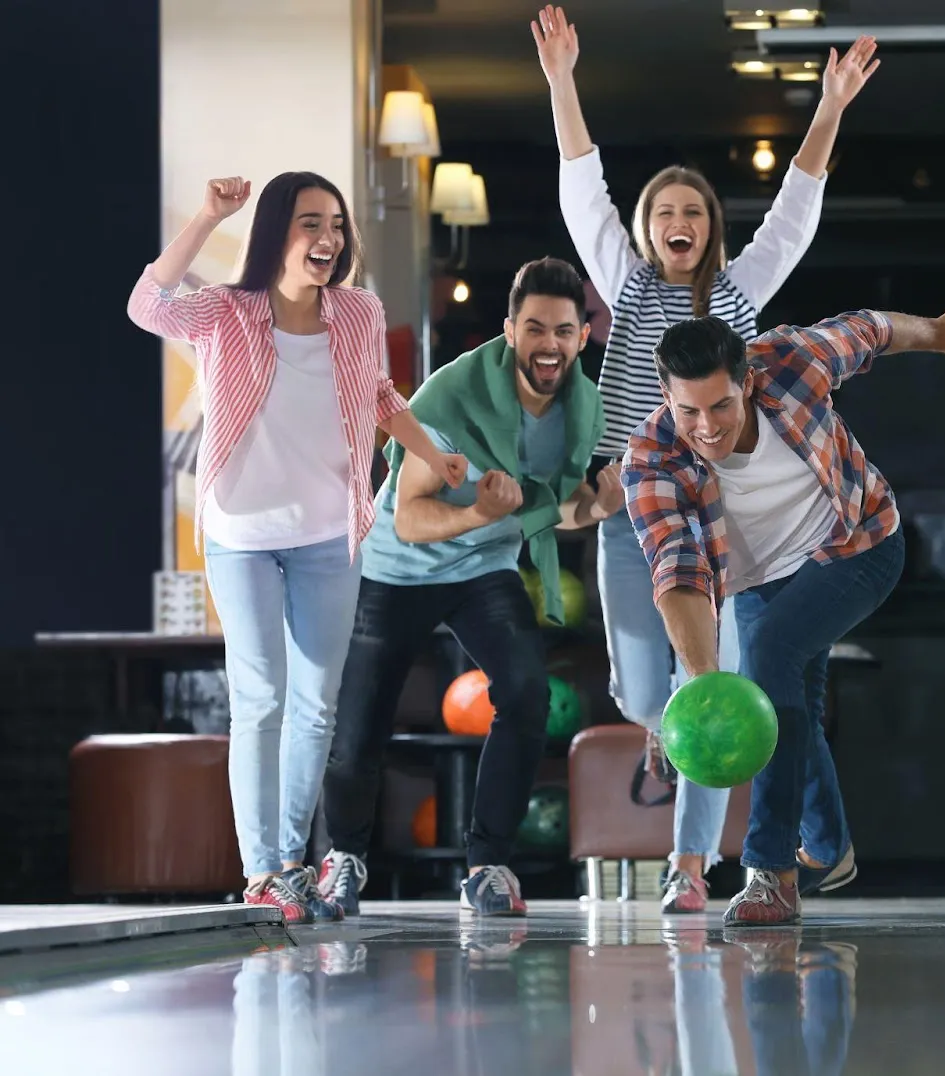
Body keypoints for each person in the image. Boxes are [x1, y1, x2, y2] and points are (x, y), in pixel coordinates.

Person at [531, 2, 880, 913]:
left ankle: (691, 869)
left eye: (693, 209)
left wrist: (830, 105)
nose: (679, 219)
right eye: (664, 211)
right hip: (629, 514)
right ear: (646, 230)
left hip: (727, 526)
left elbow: (796, 214)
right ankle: (679, 745)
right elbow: (581, 191)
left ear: (710, 227)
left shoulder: (739, 292)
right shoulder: (625, 282)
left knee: (714, 686)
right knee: (647, 692)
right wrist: (563, 80)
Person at [127, 173, 466, 922]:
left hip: (326, 533)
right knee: (261, 700)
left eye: (337, 225)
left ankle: (289, 861)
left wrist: (430, 452)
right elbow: (145, 305)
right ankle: (260, 872)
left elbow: (378, 393)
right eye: (311, 222)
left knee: (315, 706)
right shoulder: (226, 311)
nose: (329, 238)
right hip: (241, 532)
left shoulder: (357, 311)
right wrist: (211, 213)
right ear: (277, 231)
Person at [623, 293, 945, 925]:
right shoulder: (651, 458)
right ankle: (829, 848)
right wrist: (706, 688)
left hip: (859, 544)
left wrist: (939, 329)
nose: (708, 426)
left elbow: (872, 328)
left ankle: (771, 872)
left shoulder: (789, 361)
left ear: (746, 381)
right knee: (781, 703)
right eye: (688, 409)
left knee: (773, 658)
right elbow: (678, 571)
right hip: (756, 585)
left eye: (722, 404)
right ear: (667, 397)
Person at [317, 258, 615, 917]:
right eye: (534, 328)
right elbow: (409, 513)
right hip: (398, 569)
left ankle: (487, 865)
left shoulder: (580, 407)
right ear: (511, 331)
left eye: (563, 331)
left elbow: (554, 505)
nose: (548, 344)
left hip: (484, 567)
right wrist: (479, 513)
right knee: (362, 720)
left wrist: (597, 506)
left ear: (581, 337)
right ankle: (343, 858)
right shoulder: (450, 400)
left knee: (527, 693)